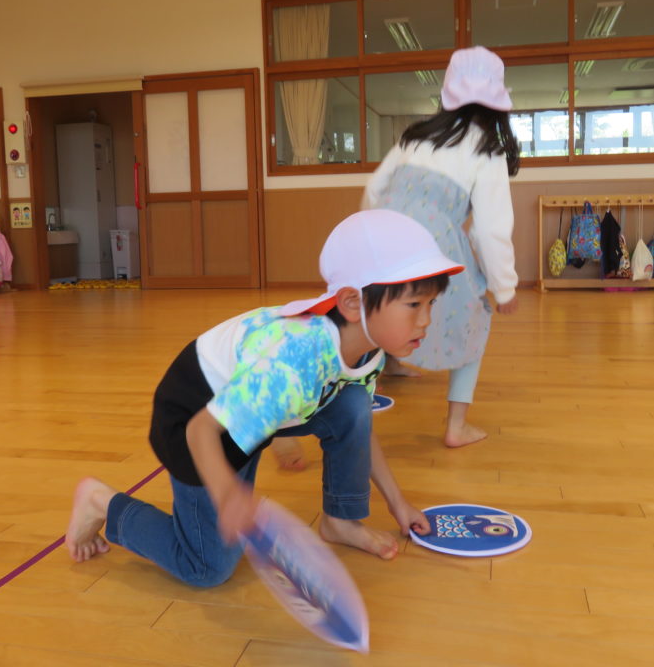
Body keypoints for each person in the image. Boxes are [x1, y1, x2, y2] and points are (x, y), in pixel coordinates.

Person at [65, 209, 464, 587]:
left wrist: (397, 503)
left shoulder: (368, 350)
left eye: (430, 303)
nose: (426, 320)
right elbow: (200, 431)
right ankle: (102, 502)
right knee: (206, 568)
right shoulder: (293, 361)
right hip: (193, 417)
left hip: (250, 404)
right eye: (413, 305)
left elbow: (358, 429)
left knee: (354, 405)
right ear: (351, 302)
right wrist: (228, 496)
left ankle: (340, 521)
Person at [363, 46, 520, 449]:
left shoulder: (415, 137)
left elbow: (374, 190)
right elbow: (490, 230)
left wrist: (369, 235)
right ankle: (456, 425)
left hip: (383, 236)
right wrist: (503, 288)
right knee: (473, 315)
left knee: (380, 306)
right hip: (433, 245)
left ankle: (388, 367)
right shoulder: (486, 151)